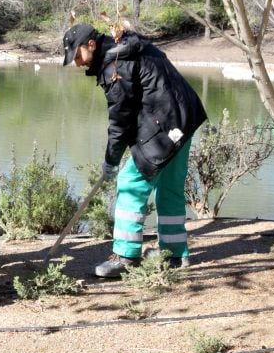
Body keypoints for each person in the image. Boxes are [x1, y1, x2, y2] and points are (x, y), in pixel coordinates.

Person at [62, 23, 207, 278]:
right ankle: (173, 255)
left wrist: (111, 161)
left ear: (92, 45)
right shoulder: (127, 47)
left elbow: (121, 121)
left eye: (77, 55)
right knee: (169, 189)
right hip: (185, 118)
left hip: (165, 125)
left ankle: (126, 256)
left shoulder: (115, 66)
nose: (77, 63)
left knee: (130, 182)